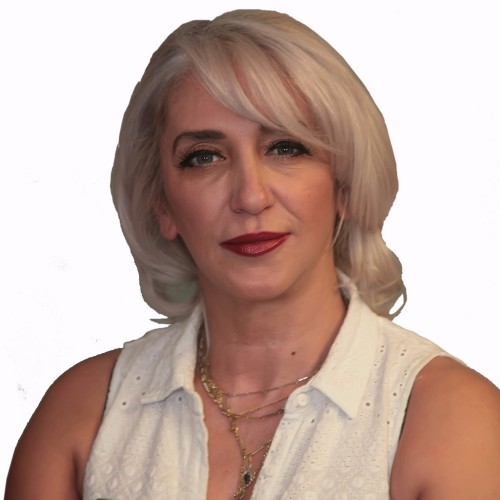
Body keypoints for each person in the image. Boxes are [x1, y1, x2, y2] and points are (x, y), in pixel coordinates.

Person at [5, 9, 500, 500]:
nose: (250, 196)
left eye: (286, 147)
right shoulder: (80, 416)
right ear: (162, 204)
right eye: (204, 157)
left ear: (344, 184)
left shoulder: (453, 419)